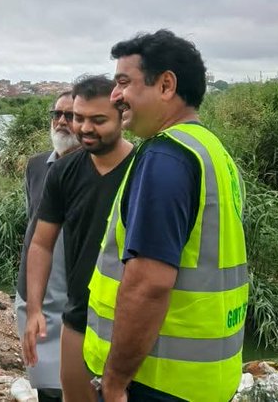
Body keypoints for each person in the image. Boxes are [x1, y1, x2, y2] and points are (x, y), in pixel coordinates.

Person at [85, 30, 248, 402]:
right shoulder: (213, 152)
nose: (115, 96)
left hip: (156, 382)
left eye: (124, 82)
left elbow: (148, 285)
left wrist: (113, 384)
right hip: (206, 382)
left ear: (165, 85)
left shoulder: (165, 157)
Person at [23, 75, 135, 402]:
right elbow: (41, 243)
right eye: (78, 117)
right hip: (78, 318)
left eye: (98, 120)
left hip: (131, 320)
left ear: (122, 117)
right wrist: (34, 310)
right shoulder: (63, 172)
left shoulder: (142, 169)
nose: (84, 128)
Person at [15, 93, 81, 401]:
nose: (62, 121)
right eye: (57, 114)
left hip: (77, 292)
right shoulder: (37, 166)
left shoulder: (94, 166)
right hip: (41, 289)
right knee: (46, 384)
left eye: (70, 115)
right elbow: (34, 225)